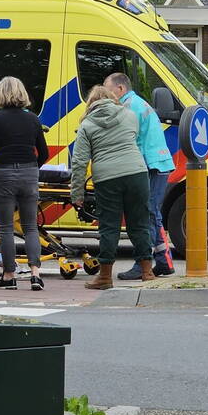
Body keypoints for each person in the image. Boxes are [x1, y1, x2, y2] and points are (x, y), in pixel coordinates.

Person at [70, 85, 154, 290]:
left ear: (90, 103)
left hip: (107, 178)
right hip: (137, 173)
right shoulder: (129, 115)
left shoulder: (87, 124)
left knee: (109, 227)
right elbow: (133, 137)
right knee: (140, 223)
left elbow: (79, 161)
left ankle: (105, 277)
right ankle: (147, 272)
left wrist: (77, 194)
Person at [0, 76, 49, 291]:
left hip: (3, 173)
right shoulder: (33, 119)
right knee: (30, 226)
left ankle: (9, 275)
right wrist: (33, 167)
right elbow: (44, 153)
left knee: (5, 228)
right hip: (29, 173)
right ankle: (35, 274)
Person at [104, 72, 177, 279]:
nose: (107, 95)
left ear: (120, 89)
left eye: (109, 90)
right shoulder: (139, 103)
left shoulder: (128, 108)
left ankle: (141, 264)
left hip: (149, 164)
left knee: (144, 215)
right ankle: (163, 261)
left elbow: (128, 140)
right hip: (158, 162)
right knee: (153, 213)